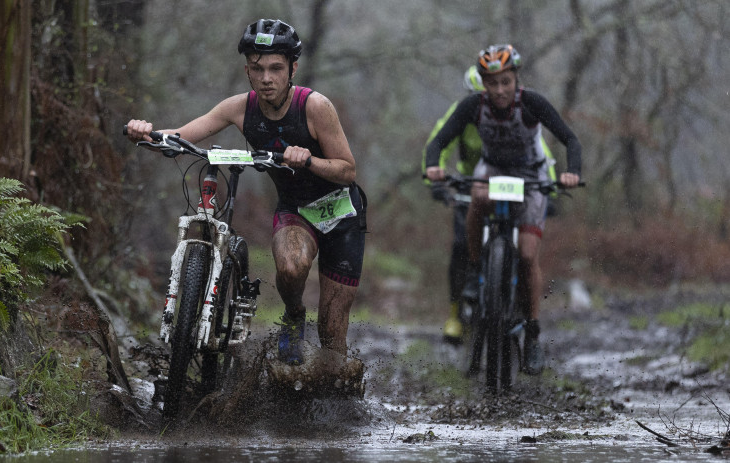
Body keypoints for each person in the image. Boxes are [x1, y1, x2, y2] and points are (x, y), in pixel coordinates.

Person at [125, 19, 366, 366]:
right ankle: (294, 315)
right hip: (297, 210)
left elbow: (347, 169)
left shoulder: (315, 107)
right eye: (258, 68)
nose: (267, 77)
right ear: (247, 71)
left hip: (342, 213)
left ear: (292, 69)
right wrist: (144, 133)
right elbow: (180, 137)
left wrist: (309, 159)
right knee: (291, 266)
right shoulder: (239, 108)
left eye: (275, 68)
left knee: (331, 338)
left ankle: (333, 408)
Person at [424, 44, 582, 375]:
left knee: (526, 256)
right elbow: (438, 142)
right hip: (492, 170)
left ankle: (533, 334)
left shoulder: (532, 103)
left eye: (506, 82)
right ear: (483, 83)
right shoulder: (473, 106)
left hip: (531, 173)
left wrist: (572, 173)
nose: (499, 90)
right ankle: (475, 266)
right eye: (492, 83)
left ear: (516, 80)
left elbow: (570, 139)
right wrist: (433, 168)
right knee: (477, 197)